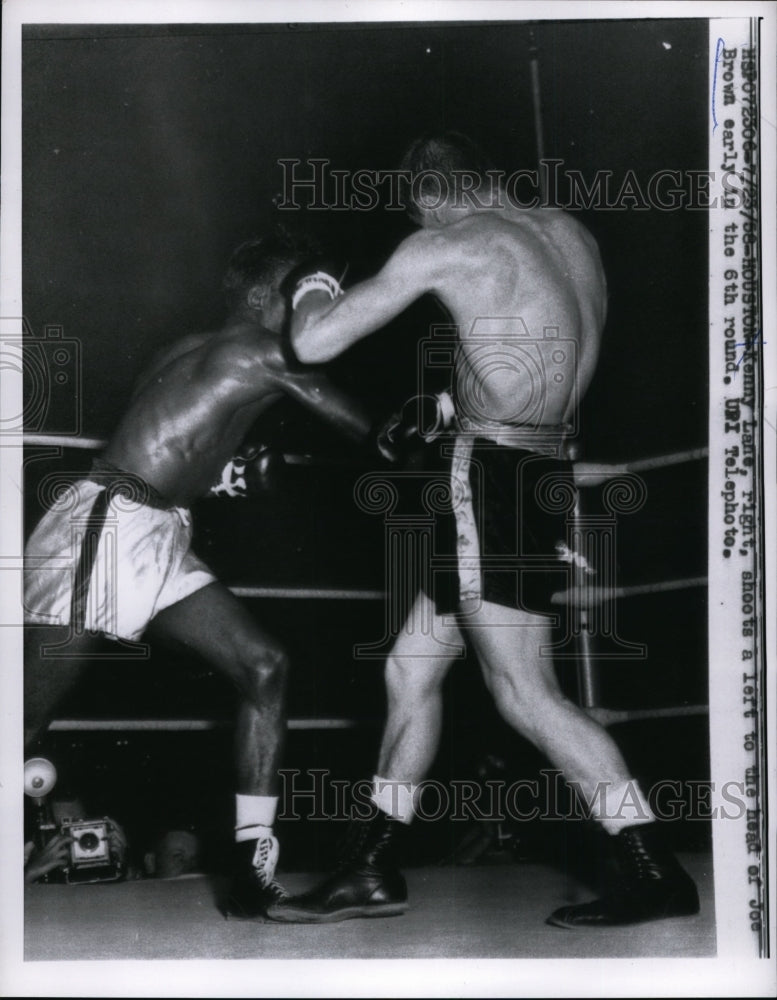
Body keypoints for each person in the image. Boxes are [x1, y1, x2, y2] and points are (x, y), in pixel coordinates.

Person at [266, 133, 700, 928]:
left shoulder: (446, 243)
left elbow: (311, 342)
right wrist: (444, 411)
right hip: (538, 473)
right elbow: (537, 361)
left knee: (522, 690)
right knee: (410, 670)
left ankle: (649, 864)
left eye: (415, 212)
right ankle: (370, 868)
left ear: (429, 199)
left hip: (486, 480)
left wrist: (313, 286)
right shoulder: (570, 234)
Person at [23, 231, 375, 918]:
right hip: (109, 528)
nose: (307, 313)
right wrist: (456, 434)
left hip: (155, 527)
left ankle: (249, 867)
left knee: (264, 665)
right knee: (20, 717)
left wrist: (228, 472)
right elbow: (372, 431)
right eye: (296, 295)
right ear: (258, 298)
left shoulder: (189, 351)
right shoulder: (263, 351)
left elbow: (171, 440)